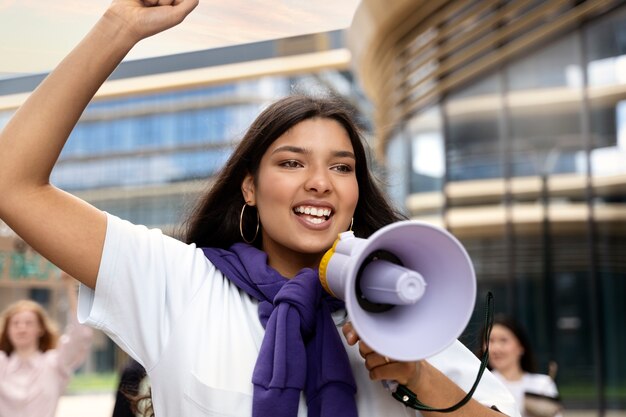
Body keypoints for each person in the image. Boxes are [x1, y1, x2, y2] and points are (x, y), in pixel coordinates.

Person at [0, 1, 519, 416]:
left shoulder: (408, 321)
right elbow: (12, 184)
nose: (321, 183)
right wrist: (119, 25)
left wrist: (418, 377)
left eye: (342, 168)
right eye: (292, 163)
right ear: (248, 188)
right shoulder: (179, 281)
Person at [0, 273, 93, 417]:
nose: (22, 328)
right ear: (7, 330)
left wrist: (69, 287)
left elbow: (80, 336)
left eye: (29, 323)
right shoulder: (2, 365)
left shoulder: (53, 364)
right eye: (16, 323)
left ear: (41, 329)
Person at [479, 315, 561, 417]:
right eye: (490, 341)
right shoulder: (480, 385)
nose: (496, 348)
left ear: (521, 346)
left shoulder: (542, 384)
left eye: (503, 340)